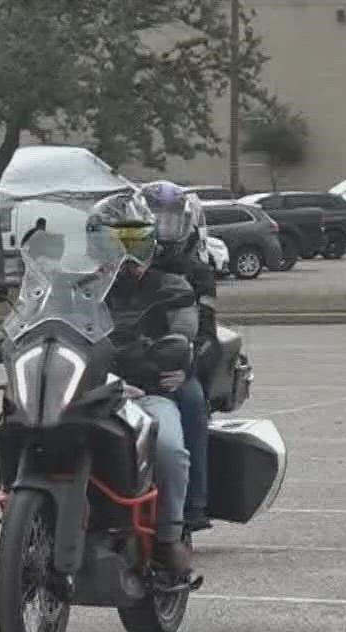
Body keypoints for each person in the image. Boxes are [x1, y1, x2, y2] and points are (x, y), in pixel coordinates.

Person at [89, 191, 198, 581]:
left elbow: (185, 328)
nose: (126, 252)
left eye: (135, 239)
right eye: (115, 241)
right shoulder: (76, 288)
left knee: (168, 448)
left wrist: (175, 353)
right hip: (84, 394)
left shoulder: (170, 283)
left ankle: (168, 538)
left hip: (144, 394)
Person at [138, 181, 216, 535]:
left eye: (168, 221)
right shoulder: (115, 264)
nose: (160, 228)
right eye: (152, 220)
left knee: (192, 400)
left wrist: (185, 366)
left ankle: (191, 506)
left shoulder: (195, 272)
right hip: (123, 362)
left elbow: (206, 336)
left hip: (172, 364)